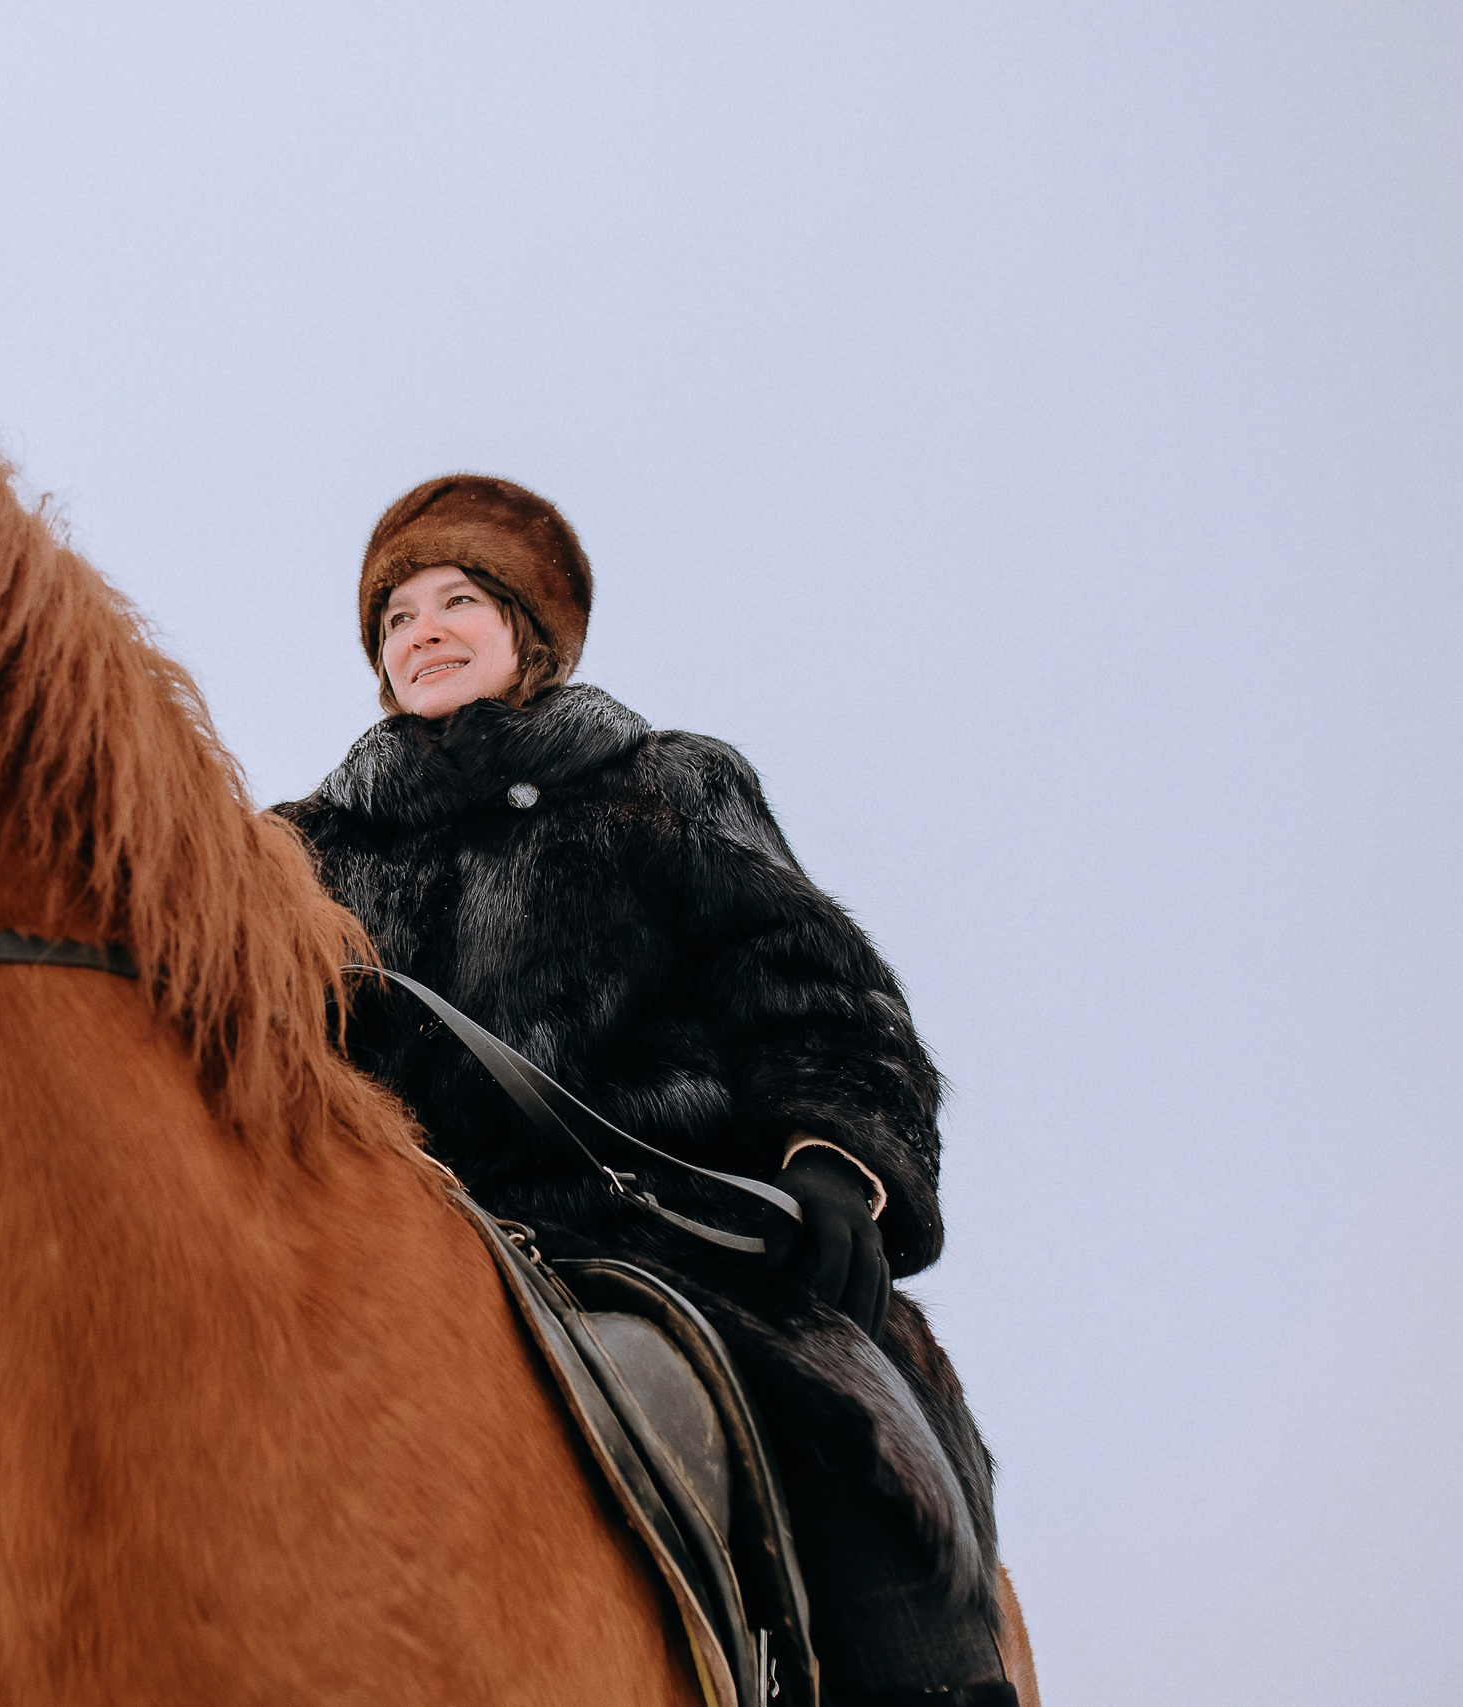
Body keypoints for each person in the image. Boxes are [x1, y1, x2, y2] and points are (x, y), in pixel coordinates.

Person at [273, 475, 1016, 1707]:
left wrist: (837, 1156)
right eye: (396, 617)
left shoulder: (663, 786)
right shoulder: (305, 854)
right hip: (402, 1245)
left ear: (530, 633)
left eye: (458, 601)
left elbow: (810, 985)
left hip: (653, 1228)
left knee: (840, 1425)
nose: (422, 633)